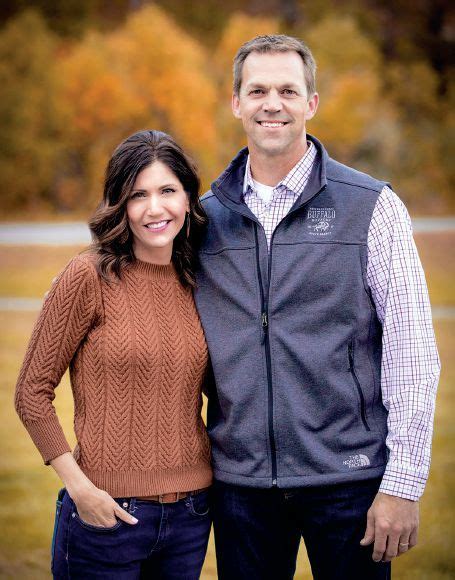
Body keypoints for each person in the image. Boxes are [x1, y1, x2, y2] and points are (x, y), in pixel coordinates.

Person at [194, 35, 440, 579]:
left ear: (312, 102)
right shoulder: (206, 219)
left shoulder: (373, 207)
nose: (272, 104)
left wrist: (402, 484)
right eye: (257, 90)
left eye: (288, 90)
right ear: (236, 103)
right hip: (241, 487)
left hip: (349, 481)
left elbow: (413, 351)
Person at [14, 130, 212, 579]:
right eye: (138, 194)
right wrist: (80, 489)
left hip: (192, 516)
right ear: (118, 203)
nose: (154, 208)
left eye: (167, 191)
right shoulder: (88, 277)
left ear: (188, 199)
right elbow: (31, 392)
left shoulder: (201, 280)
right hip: (104, 516)